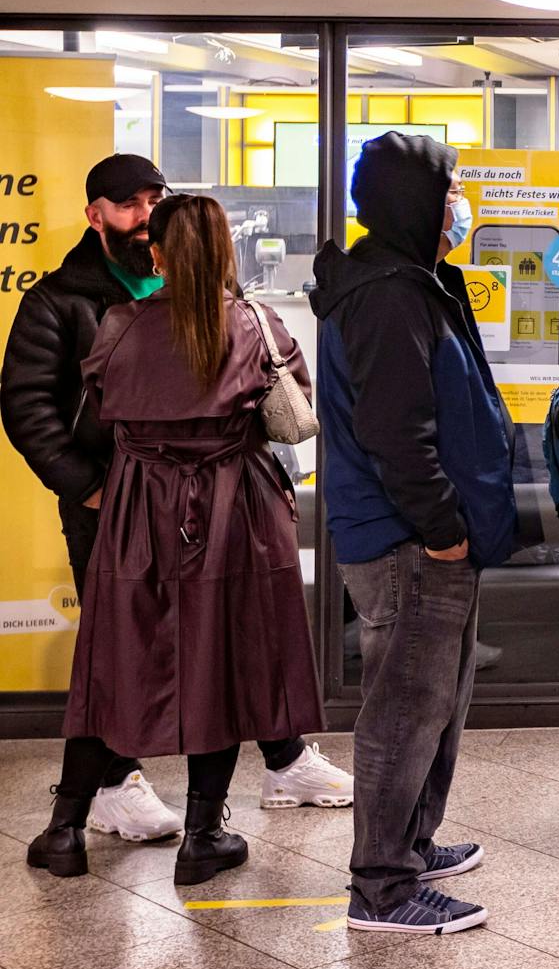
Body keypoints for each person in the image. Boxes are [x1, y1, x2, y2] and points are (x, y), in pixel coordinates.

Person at [0, 155, 350, 848]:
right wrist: (89, 484)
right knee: (220, 659)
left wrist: (129, 470)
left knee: (113, 659)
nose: (140, 217)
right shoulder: (246, 321)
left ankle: (64, 829)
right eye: (128, 203)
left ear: (161, 243)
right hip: (220, 509)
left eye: (151, 205)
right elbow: (293, 402)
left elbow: (102, 403)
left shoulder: (120, 325)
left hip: (134, 508)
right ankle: (198, 831)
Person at [312, 132, 516, 935]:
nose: (459, 203)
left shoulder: (408, 283)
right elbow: (398, 429)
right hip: (408, 543)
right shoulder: (388, 296)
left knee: (436, 703)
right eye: (450, 187)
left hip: (425, 540)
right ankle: (384, 887)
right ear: (416, 200)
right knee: (403, 710)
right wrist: (441, 529)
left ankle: (411, 846)